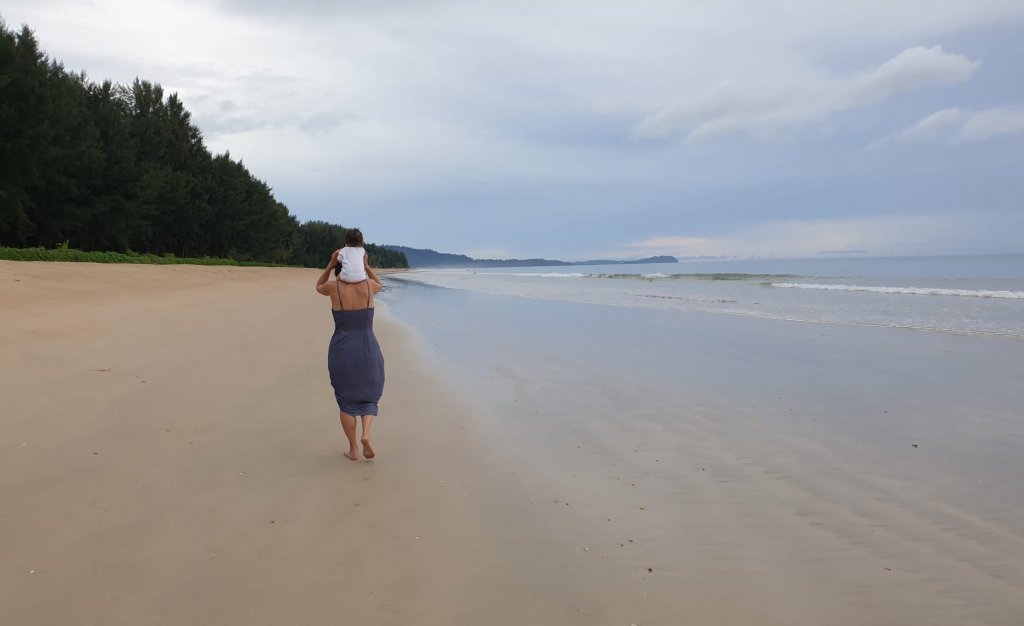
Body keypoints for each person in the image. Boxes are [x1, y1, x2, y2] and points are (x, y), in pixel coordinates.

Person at [315, 246, 385, 461]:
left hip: (342, 348)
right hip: (367, 347)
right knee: (369, 395)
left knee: (346, 401)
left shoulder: (334, 288)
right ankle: (366, 435)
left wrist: (330, 263)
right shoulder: (369, 286)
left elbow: (318, 286)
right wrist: (366, 265)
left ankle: (353, 450)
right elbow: (379, 284)